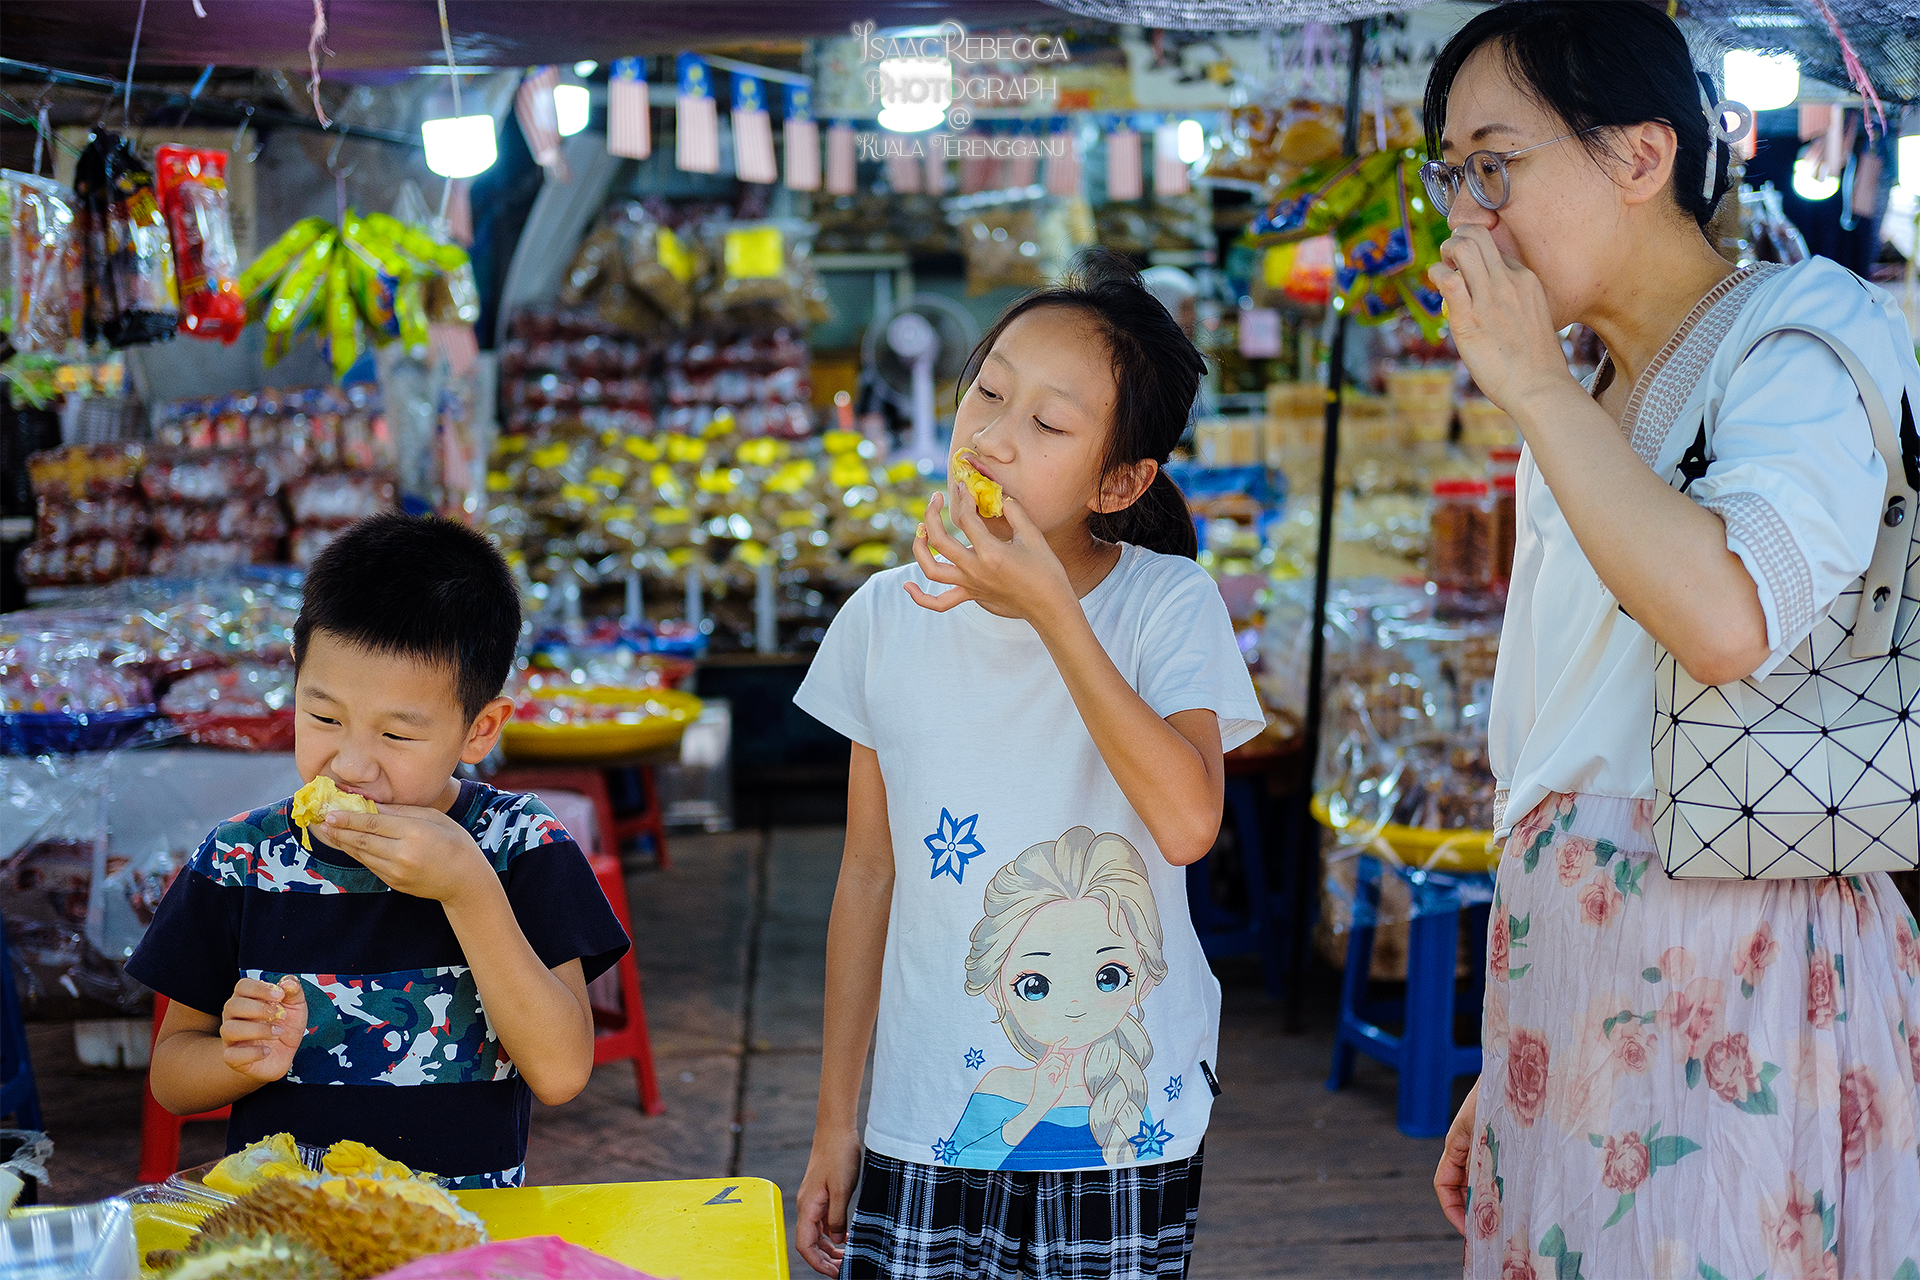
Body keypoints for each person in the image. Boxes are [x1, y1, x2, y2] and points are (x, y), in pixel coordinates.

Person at [1417, 5, 1920, 1278]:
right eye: (1451, 173)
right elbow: (1557, 742)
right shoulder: (1588, 386)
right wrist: (1517, 1035)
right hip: (1568, 953)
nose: (1467, 216)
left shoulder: (1805, 329)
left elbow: (1727, 618)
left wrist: (1528, 382)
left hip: (1734, 957)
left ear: (1640, 157)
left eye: (1495, 163)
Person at [792, 248, 1265, 1280]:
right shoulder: (884, 617)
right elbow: (868, 876)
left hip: (1119, 1122)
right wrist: (840, 1118)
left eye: (1048, 424)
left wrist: (1052, 607)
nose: (995, 437)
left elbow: (1188, 824)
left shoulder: (1166, 604)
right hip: (925, 1114)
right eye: (989, 392)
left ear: (1121, 479)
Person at [129, 513, 630, 1188]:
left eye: (397, 736)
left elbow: (562, 1072)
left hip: (464, 1237)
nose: (352, 764)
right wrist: (238, 1055)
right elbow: (171, 1077)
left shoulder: (520, 845)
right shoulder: (239, 858)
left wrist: (467, 886)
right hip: (288, 1234)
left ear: (480, 730)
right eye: (324, 717)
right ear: (297, 679)